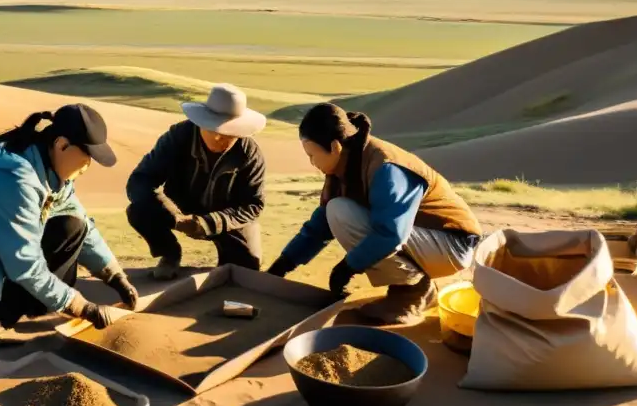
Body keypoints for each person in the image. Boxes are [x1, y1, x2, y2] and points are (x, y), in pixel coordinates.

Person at [0, 104, 139, 345]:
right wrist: (81, 306)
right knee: (38, 291)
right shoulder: (16, 183)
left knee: (73, 230)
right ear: (62, 145)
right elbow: (25, 265)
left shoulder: (51, 175)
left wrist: (114, 276)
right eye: (87, 157)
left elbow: (80, 224)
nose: (87, 166)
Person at [267, 103, 482, 325]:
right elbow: (320, 226)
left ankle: (413, 293)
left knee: (341, 212)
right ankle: (413, 286)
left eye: (312, 155)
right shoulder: (344, 167)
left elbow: (391, 234)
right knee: (336, 210)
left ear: (335, 147)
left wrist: (348, 267)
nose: (312, 163)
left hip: (454, 244)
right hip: (426, 241)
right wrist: (284, 263)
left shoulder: (385, 167)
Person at [127, 84, 267, 280]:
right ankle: (169, 254)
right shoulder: (177, 137)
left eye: (228, 132)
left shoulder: (249, 153)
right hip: (178, 208)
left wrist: (208, 223)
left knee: (247, 270)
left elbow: (253, 205)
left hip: (225, 218)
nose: (219, 136)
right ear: (200, 122)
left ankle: (227, 264)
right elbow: (139, 180)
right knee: (139, 211)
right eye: (213, 128)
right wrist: (172, 213)